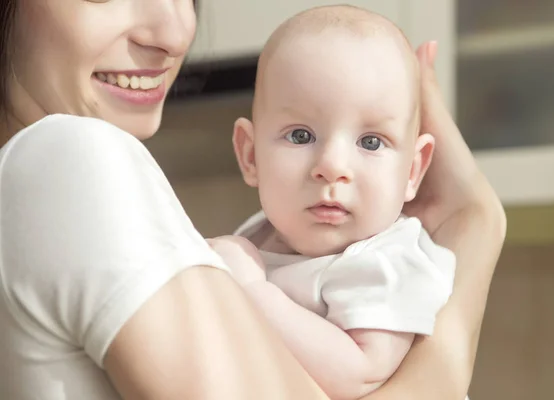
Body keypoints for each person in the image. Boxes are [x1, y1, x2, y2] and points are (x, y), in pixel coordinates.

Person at [0, 0, 506, 399]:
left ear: (414, 166)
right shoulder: (68, 155)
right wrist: (475, 231)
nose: (176, 32)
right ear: (248, 151)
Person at [209, 7, 456, 400]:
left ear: (412, 171)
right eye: (301, 135)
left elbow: (360, 374)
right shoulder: (260, 233)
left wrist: (254, 292)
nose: (332, 167)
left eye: (371, 142)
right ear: (251, 155)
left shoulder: (389, 260)